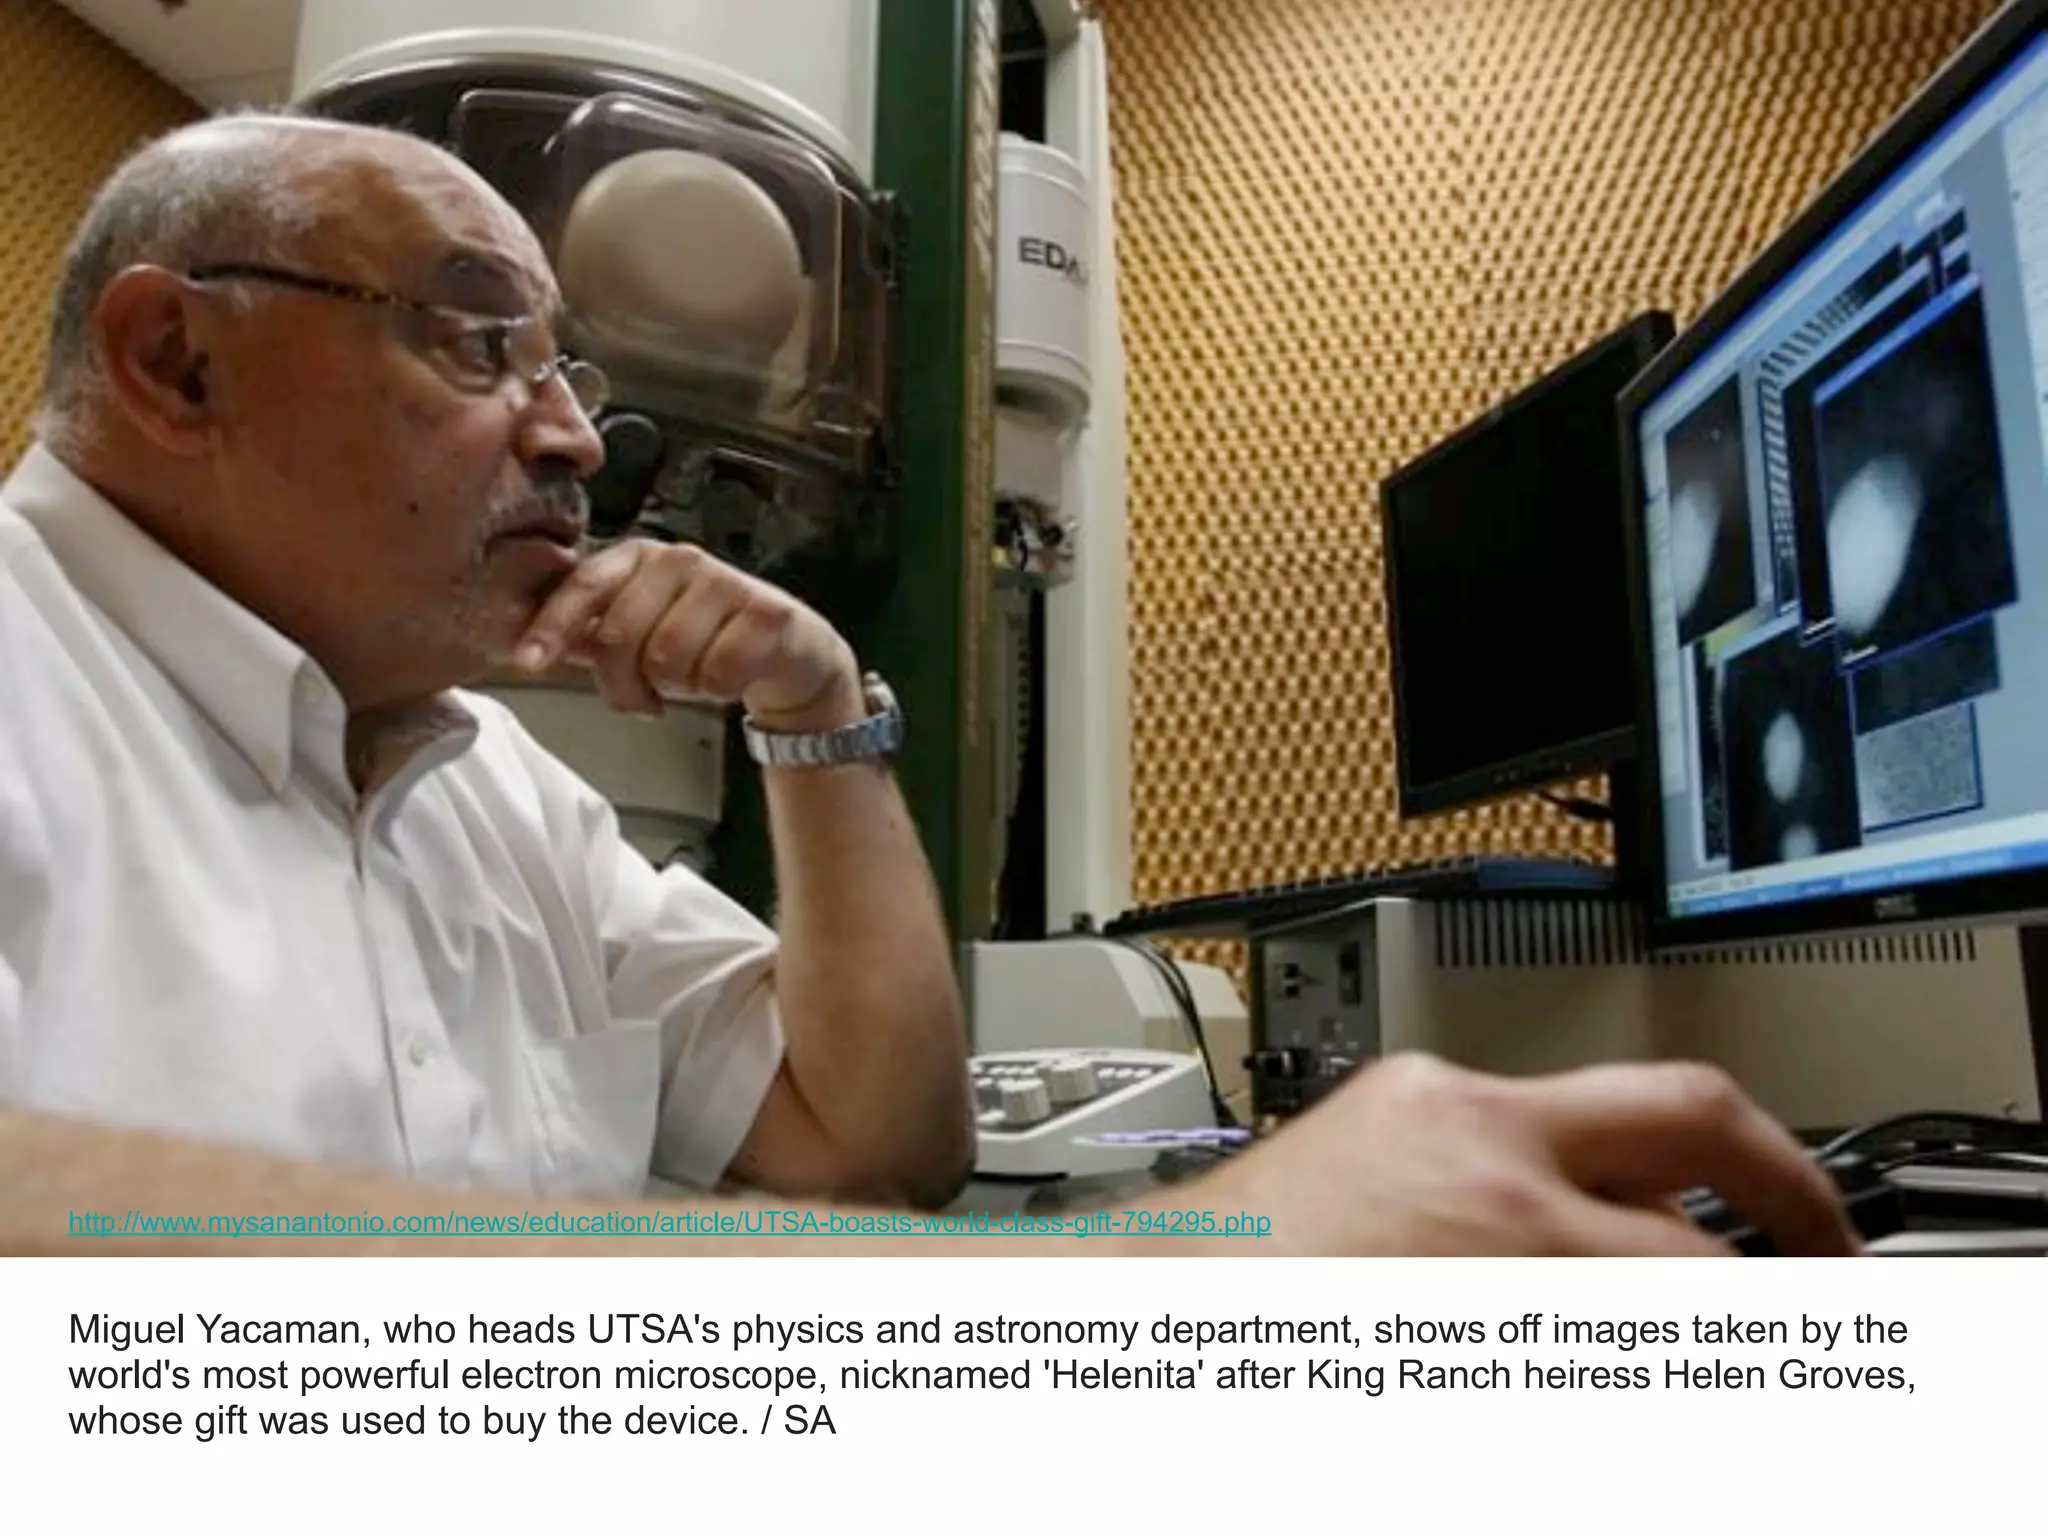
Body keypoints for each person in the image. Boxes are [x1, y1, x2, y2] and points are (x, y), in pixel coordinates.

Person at [0, 113, 1858, 1258]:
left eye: (563, 368)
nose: (577, 434)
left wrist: (818, 712)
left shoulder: (488, 790)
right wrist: (1122, 1311)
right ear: (178, 360)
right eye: (486, 340)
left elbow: (872, 1150)